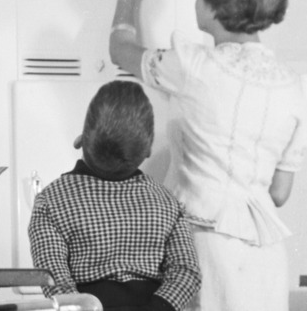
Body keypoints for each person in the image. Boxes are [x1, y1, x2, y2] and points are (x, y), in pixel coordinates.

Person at [107, 0, 307, 311]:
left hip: (203, 246)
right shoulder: (298, 88)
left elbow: (120, 49)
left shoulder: (192, 66)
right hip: (265, 255)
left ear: (215, 4)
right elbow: (280, 192)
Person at [28, 80, 201, 311]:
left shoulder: (51, 201)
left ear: (82, 139)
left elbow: (53, 278)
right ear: (147, 150)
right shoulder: (165, 201)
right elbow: (186, 271)